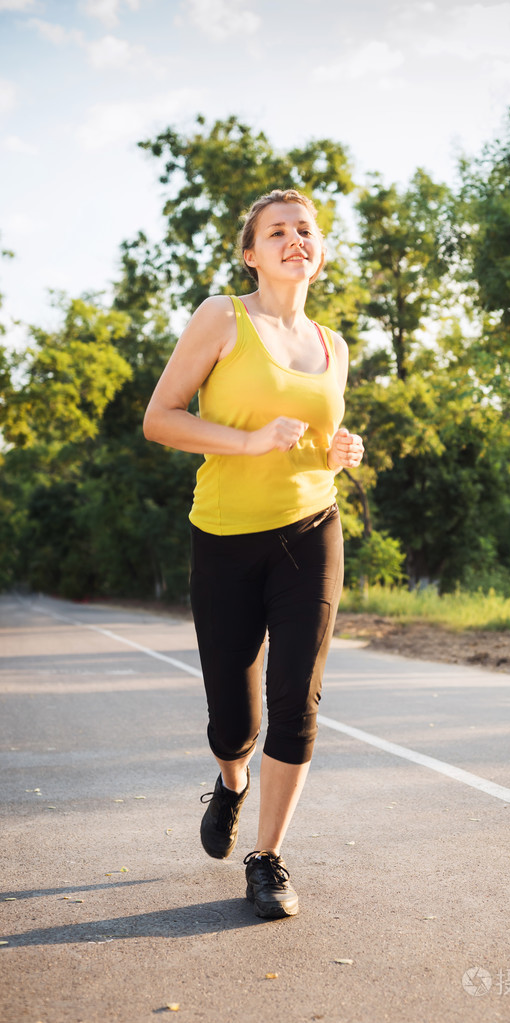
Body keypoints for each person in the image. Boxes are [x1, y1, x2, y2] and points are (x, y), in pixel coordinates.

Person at [143, 188, 364, 919]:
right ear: (251, 252)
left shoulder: (334, 347)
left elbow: (314, 452)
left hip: (310, 529)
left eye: (306, 229)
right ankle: (230, 781)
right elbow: (159, 419)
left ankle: (267, 857)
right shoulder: (220, 317)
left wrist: (340, 452)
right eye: (277, 231)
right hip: (225, 539)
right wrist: (241, 441)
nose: (294, 238)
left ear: (319, 251)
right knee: (232, 720)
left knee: (295, 702)